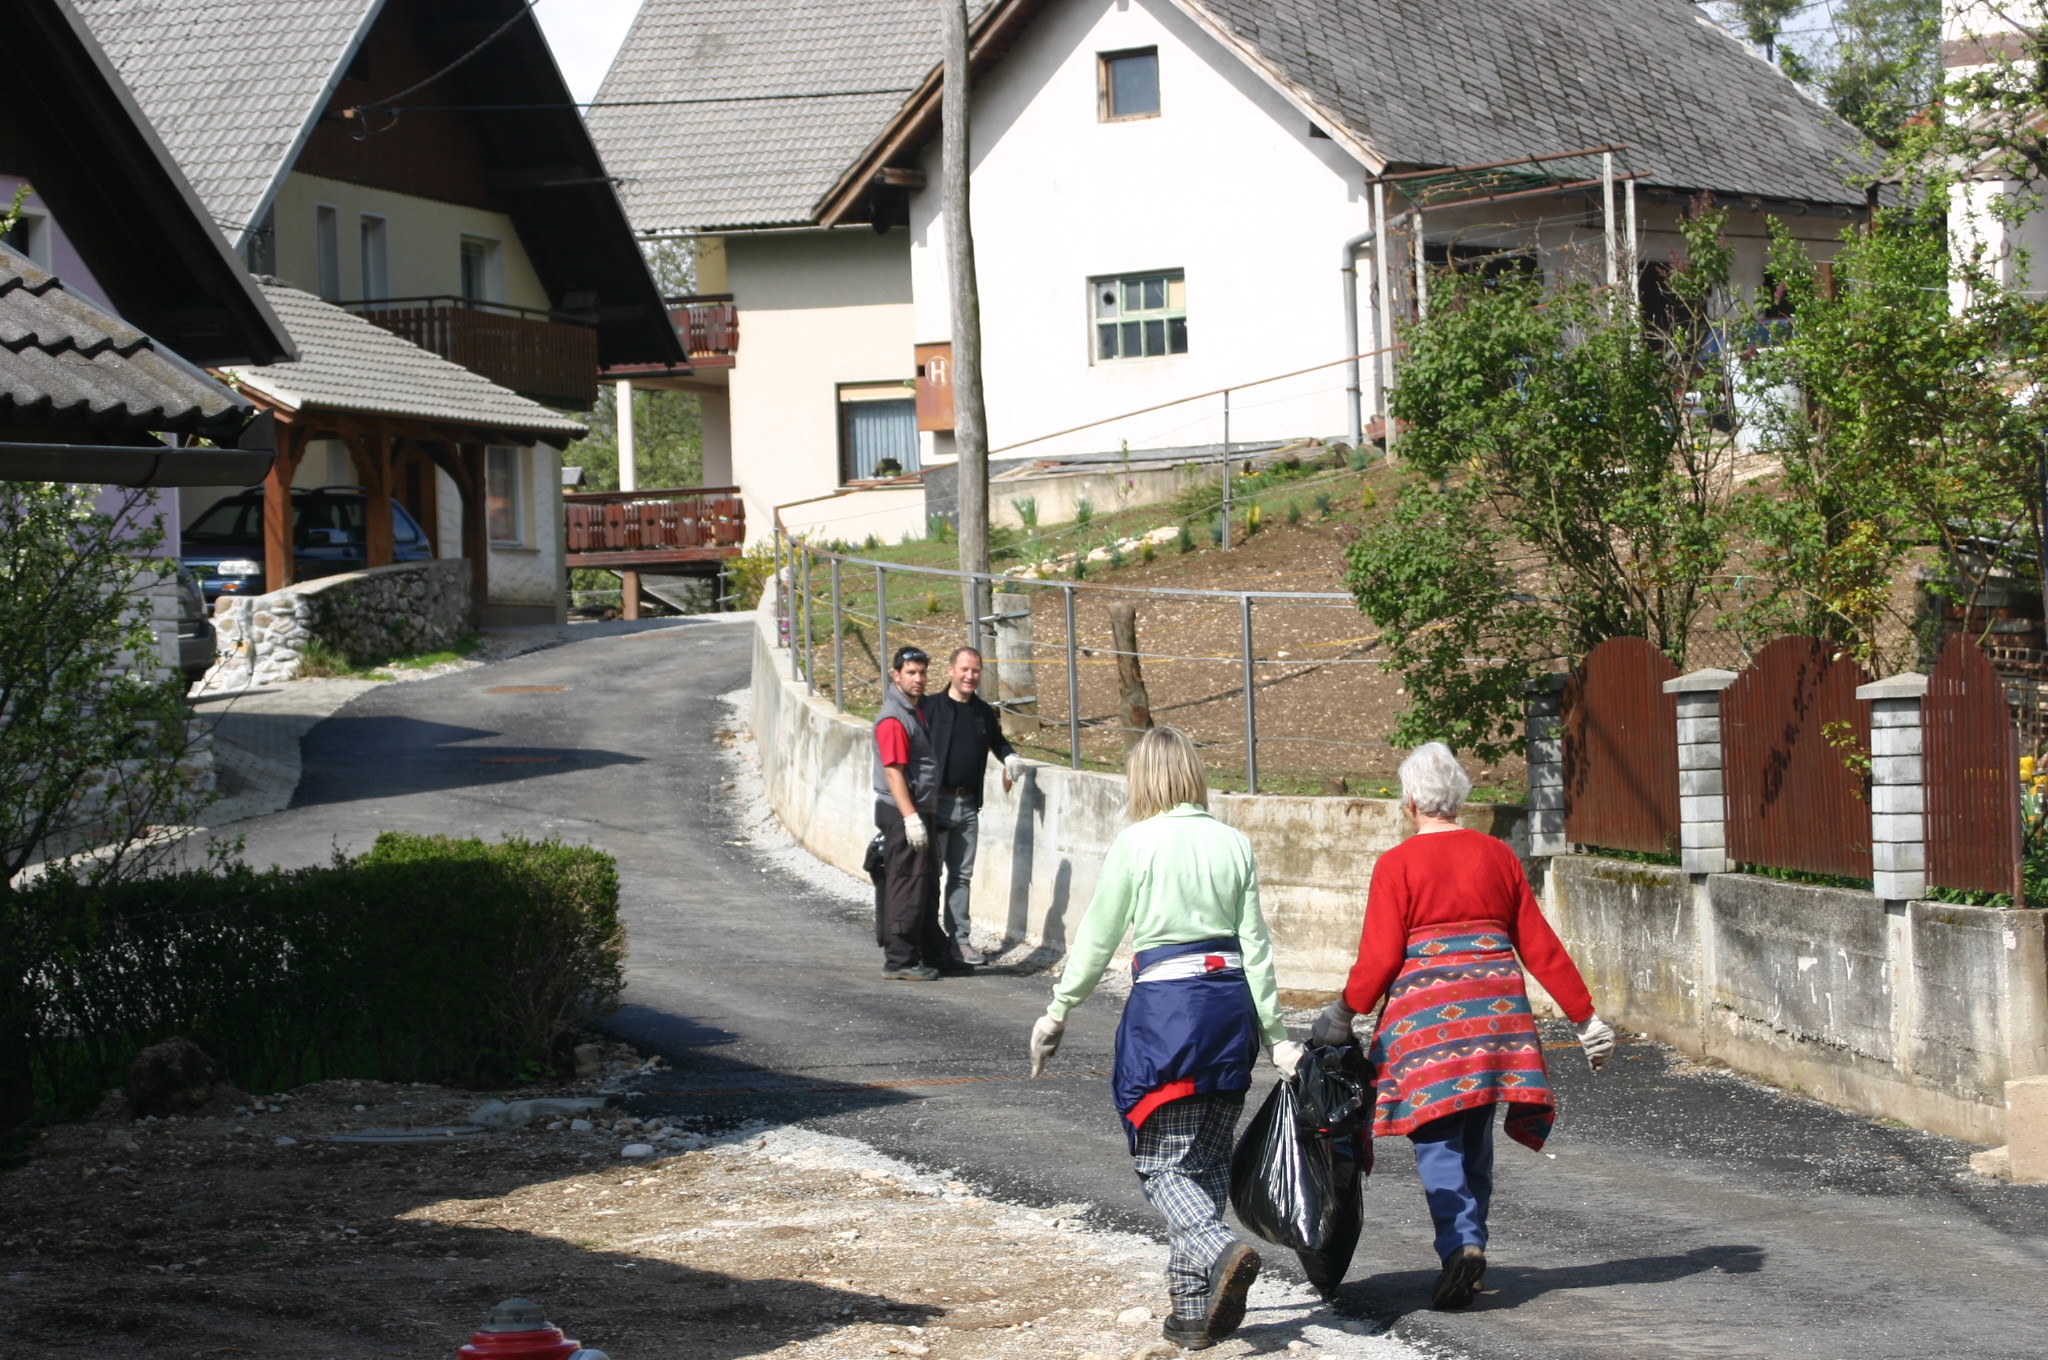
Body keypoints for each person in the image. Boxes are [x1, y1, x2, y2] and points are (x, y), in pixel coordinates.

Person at [1309, 742, 1615, 1311]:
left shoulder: (1397, 865)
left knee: (1436, 1135)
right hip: (1497, 1014)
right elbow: (1539, 944)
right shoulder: (1498, 855)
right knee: (1474, 1126)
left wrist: (1344, 1013)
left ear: (1408, 803)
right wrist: (1585, 1017)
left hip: (1430, 1022)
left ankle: (1461, 1244)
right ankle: (1469, 1240)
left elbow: (1379, 958)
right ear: (1460, 799)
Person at [1027, 726, 1304, 1351]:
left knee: (1159, 1163)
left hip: (1168, 1015)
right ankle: (1191, 1309)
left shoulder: (1137, 842)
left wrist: (1059, 1009)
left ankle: (1217, 1248)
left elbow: (1098, 936)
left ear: (1144, 778)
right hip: (1230, 1012)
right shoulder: (1235, 844)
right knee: (1203, 1165)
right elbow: (1254, 947)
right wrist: (1277, 1038)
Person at [922, 646, 1025, 967]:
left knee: (961, 876)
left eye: (976, 671)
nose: (970, 676)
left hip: (968, 805)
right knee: (929, 874)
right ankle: (927, 938)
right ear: (951, 670)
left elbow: (997, 741)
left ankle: (959, 940)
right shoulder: (930, 708)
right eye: (964, 669)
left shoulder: (982, 712)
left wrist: (1010, 757)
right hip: (935, 804)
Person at [872, 645, 961, 981]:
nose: (919, 679)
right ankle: (899, 960)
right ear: (896, 676)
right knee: (906, 883)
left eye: (922, 672)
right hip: (901, 812)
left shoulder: (914, 710)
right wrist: (910, 818)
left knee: (925, 885)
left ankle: (930, 953)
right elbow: (894, 772)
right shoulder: (894, 718)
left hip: (918, 809)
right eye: (911, 672)